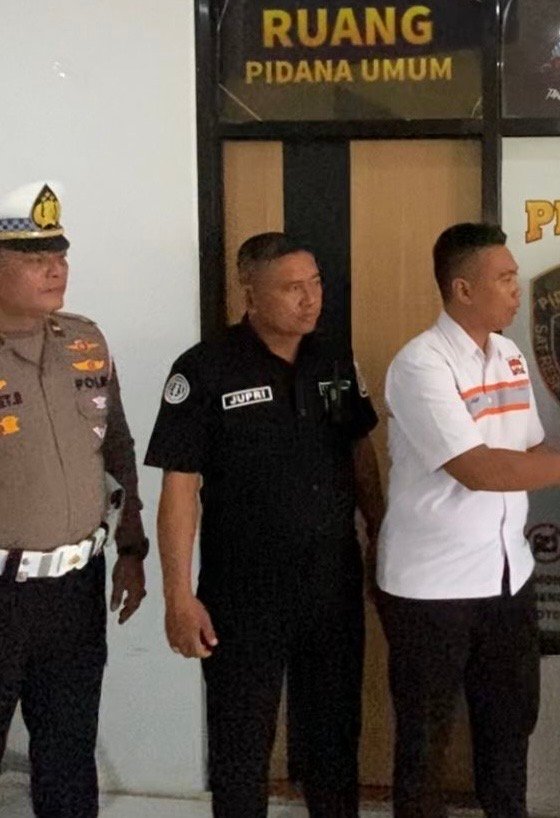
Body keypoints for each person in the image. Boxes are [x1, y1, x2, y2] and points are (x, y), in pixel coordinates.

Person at [375, 222, 560, 818]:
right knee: (425, 746)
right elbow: (477, 469)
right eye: (504, 278)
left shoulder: (510, 356)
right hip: (432, 588)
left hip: (508, 577)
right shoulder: (421, 365)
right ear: (462, 289)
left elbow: (528, 453)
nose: (516, 290)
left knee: (509, 730)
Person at [144, 232, 384, 818]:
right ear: (249, 293)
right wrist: (178, 595)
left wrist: (381, 533)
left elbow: (359, 453)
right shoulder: (205, 369)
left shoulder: (332, 360)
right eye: (292, 288)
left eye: (315, 283)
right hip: (242, 593)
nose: (310, 298)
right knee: (241, 749)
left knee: (334, 744)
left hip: (330, 584)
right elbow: (180, 488)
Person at [0, 181, 148, 817]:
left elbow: (116, 447)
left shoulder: (84, 340)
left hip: (74, 590)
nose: (56, 269)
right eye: (35, 258)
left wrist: (132, 548)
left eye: (60, 255)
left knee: (67, 756)